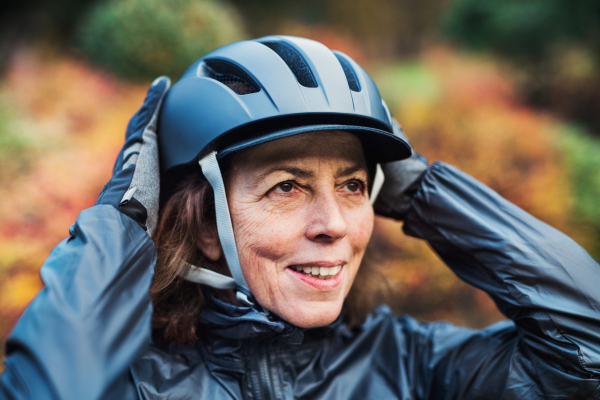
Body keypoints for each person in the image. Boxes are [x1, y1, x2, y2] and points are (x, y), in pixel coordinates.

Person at [1, 35, 599, 400]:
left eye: (354, 185)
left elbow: (585, 347)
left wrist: (423, 191)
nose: (335, 224)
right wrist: (121, 224)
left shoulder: (408, 366)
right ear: (207, 228)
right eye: (287, 187)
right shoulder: (129, 381)